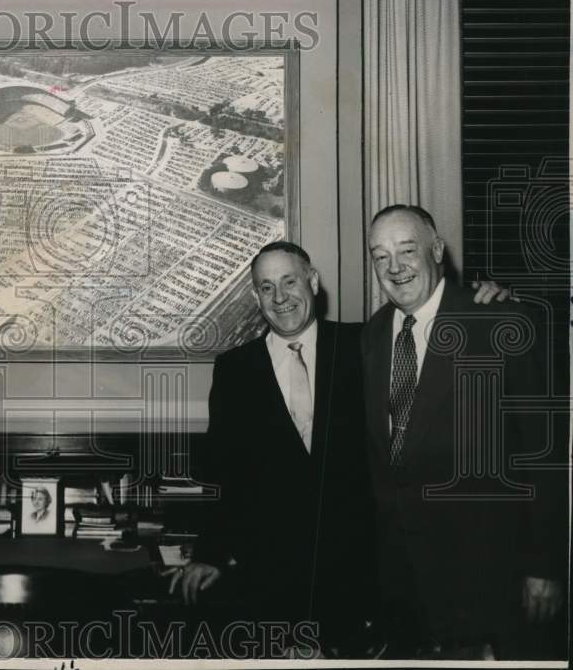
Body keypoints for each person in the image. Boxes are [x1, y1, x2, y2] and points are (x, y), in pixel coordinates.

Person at [171, 240, 514, 655]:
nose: (280, 298)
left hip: (364, 581)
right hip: (270, 582)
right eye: (266, 287)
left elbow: (429, 331)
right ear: (254, 296)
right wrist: (208, 552)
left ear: (313, 282)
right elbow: (223, 471)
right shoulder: (234, 369)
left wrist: (486, 302)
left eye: (289, 281)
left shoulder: (365, 344)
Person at [363, 205, 565, 658]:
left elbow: (542, 455)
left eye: (407, 250)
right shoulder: (371, 337)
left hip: (487, 581)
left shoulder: (499, 322)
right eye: (380, 256)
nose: (394, 267)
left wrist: (545, 567)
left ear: (437, 250)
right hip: (402, 590)